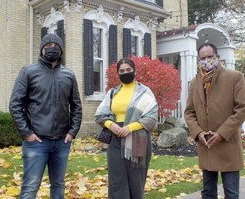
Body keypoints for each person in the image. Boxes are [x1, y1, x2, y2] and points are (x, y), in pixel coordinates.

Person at [9, 33, 82, 198]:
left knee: (58, 186)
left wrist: (72, 132)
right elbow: (15, 104)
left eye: (56, 46)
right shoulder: (28, 72)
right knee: (30, 187)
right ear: (42, 49)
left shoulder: (69, 75)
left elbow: (76, 105)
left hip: (62, 143)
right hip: (37, 142)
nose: (52, 49)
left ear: (61, 50)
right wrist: (27, 134)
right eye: (48, 46)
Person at [184, 42, 245, 199]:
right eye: (203, 58)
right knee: (208, 193)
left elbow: (242, 108)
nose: (206, 60)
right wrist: (198, 133)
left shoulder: (234, 77)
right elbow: (189, 112)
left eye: (210, 57)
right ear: (198, 60)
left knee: (231, 194)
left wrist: (221, 133)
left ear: (217, 57)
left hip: (228, 144)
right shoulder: (195, 82)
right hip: (206, 145)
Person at [95, 58, 158, 199]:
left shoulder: (145, 92)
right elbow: (100, 115)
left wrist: (130, 128)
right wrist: (111, 125)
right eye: (122, 71)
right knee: (117, 180)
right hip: (115, 137)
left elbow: (152, 117)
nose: (125, 73)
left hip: (137, 137)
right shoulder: (113, 93)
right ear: (118, 73)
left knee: (136, 180)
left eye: (128, 70)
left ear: (134, 70)